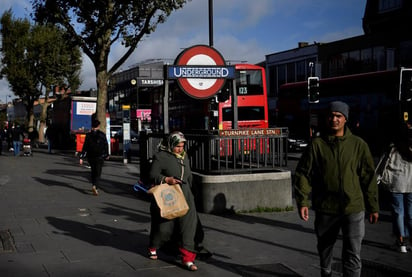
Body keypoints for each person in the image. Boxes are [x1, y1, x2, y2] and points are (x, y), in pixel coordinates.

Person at [294, 101, 379, 277]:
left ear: (345, 119)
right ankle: (326, 272)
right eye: (331, 116)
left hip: (353, 207)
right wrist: (302, 201)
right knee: (325, 248)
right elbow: (303, 173)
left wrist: (373, 206)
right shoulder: (317, 145)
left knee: (353, 252)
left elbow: (368, 178)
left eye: (339, 116)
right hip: (326, 207)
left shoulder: (358, 145)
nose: (334, 119)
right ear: (326, 118)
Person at [148, 131, 199, 271]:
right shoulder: (160, 157)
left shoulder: (184, 156)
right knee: (164, 227)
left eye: (182, 146)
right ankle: (154, 245)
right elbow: (152, 175)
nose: (180, 149)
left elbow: (189, 176)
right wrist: (166, 179)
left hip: (186, 195)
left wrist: (193, 193)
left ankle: (187, 259)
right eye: (177, 146)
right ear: (170, 144)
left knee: (188, 227)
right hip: (169, 196)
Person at [377, 123, 412, 253]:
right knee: (410, 213)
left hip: (396, 185)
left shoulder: (392, 148)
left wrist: (377, 180)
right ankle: (410, 240)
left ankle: (401, 241)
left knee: (399, 213)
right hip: (411, 184)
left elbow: (382, 165)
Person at [80, 118, 109, 196]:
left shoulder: (88, 135)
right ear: (98, 126)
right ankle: (95, 186)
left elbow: (85, 146)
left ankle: (93, 184)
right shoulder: (102, 135)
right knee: (98, 172)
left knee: (93, 170)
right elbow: (106, 145)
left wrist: (81, 157)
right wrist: (106, 154)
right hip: (99, 156)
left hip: (91, 156)